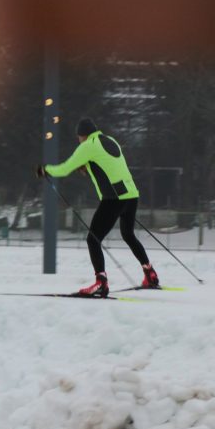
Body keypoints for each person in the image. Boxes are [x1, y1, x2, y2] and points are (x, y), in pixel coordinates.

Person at [36, 118, 159, 297]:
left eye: (79, 137)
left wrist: (46, 170)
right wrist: (88, 168)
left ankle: (101, 282)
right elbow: (108, 165)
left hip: (114, 198)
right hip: (131, 195)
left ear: (82, 135)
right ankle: (150, 274)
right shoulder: (110, 140)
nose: (79, 141)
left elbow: (65, 168)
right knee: (128, 235)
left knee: (93, 240)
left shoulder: (87, 146)